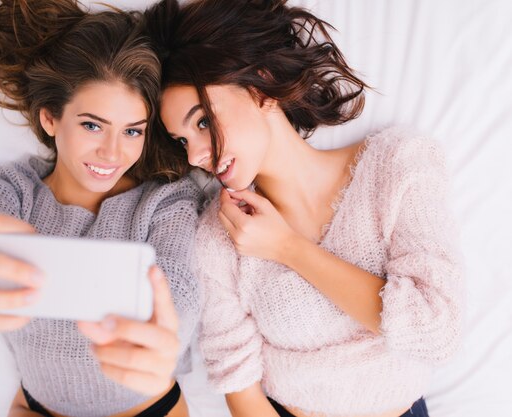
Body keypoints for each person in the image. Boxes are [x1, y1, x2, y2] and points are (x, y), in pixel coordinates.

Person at [144, 1, 464, 416]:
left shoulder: (398, 166)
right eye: (183, 140)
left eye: (203, 122)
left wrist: (288, 249)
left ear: (260, 87)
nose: (196, 156)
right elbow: (238, 381)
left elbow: (436, 330)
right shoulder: (218, 234)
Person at [0, 1, 203, 416]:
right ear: (51, 118)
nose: (112, 151)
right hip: (37, 406)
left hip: (145, 408)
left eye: (132, 131)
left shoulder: (165, 202)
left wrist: (167, 333)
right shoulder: (8, 191)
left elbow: (180, 290)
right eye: (92, 125)